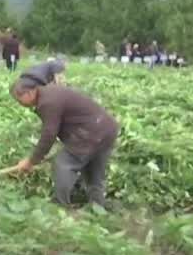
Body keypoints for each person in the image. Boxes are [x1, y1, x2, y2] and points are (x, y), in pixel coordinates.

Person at [9, 76, 119, 208]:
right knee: (93, 172)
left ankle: (60, 207)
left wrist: (31, 161)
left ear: (29, 92)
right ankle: (98, 208)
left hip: (89, 133)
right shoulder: (50, 93)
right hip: (107, 128)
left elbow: (49, 134)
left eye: (18, 99)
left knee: (63, 163)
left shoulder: (47, 102)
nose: (20, 104)